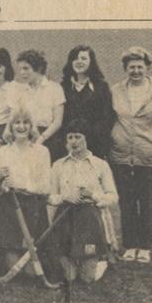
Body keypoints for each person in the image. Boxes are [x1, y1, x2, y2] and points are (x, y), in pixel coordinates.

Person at [109, 47, 152, 264]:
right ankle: (130, 245)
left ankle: (145, 247)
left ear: (147, 68)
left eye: (139, 67)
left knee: (147, 203)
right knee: (127, 203)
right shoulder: (116, 90)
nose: (135, 71)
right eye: (131, 67)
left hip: (150, 158)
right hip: (121, 156)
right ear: (125, 69)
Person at [48, 118, 118, 283]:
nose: (74, 141)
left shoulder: (100, 164)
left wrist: (93, 195)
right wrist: (66, 197)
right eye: (70, 137)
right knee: (70, 277)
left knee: (87, 278)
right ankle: (69, 259)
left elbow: (113, 196)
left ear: (87, 139)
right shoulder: (58, 165)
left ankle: (102, 258)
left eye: (78, 137)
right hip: (65, 219)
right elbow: (50, 197)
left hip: (90, 221)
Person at [0, 111, 51, 276]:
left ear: (32, 127)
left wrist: (23, 186)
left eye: (26, 122)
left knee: (31, 273)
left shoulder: (42, 151)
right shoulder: (1, 153)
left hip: (34, 207)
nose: (21, 126)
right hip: (9, 208)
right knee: (14, 269)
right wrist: (1, 184)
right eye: (17, 122)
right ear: (10, 127)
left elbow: (46, 187)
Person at [60, 45, 115, 159]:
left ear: (91, 62)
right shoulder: (63, 87)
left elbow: (107, 116)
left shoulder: (101, 87)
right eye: (75, 58)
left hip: (95, 144)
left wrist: (90, 137)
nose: (79, 61)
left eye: (84, 58)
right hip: (69, 145)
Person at [13, 49, 66, 161]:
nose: (22, 72)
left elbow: (58, 121)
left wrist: (41, 138)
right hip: (27, 137)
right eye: (20, 69)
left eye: (26, 68)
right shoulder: (20, 91)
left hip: (51, 139)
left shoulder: (55, 88)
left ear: (38, 68)